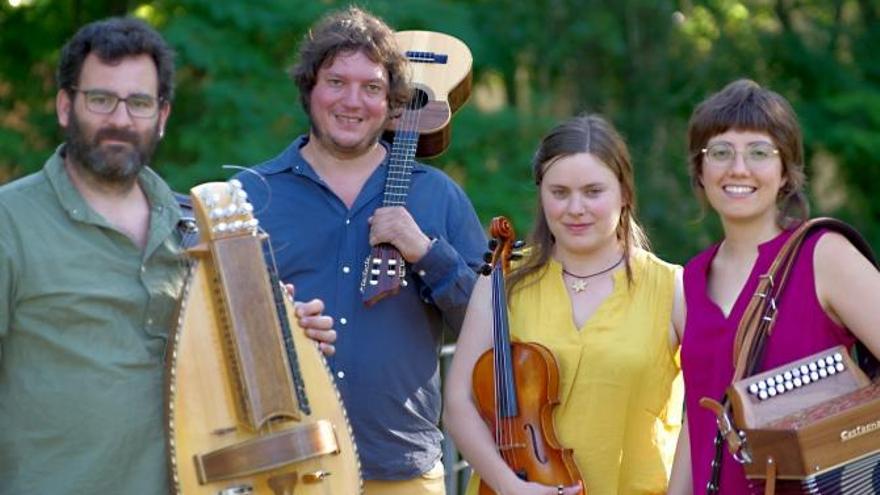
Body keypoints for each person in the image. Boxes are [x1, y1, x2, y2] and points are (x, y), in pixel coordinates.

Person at [0, 17, 335, 494]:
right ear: (64, 105)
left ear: (161, 116)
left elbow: (217, 357)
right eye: (100, 99)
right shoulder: (9, 222)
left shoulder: (194, 226)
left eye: (138, 102)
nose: (119, 119)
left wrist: (286, 335)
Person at [233, 6, 486, 494]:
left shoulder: (438, 196)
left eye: (371, 87)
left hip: (403, 474)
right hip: (283, 470)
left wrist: (427, 254)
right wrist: (273, 323)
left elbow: (490, 331)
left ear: (393, 103)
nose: (353, 101)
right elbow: (214, 331)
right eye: (336, 82)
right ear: (309, 89)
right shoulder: (251, 196)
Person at [444, 114, 686, 495]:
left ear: (624, 193)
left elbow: (708, 410)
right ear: (542, 195)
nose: (575, 208)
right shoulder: (501, 280)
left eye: (593, 191)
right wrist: (511, 486)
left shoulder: (672, 288)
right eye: (560, 193)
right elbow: (458, 403)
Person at [668, 79, 880, 494]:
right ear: (700, 169)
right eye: (721, 152)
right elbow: (701, 413)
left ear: (786, 172)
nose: (739, 168)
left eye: (760, 152)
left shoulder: (824, 255)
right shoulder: (689, 280)